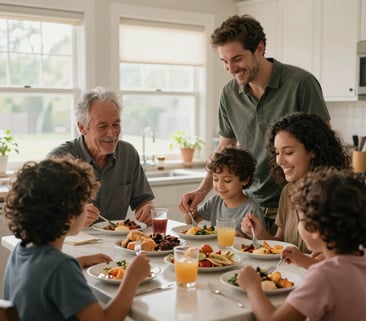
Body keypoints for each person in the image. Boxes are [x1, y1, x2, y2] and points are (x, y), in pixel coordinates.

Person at [179, 14, 330, 233]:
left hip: (294, 208)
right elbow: (225, 147)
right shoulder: (229, 93)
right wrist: (203, 191)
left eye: (237, 59)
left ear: (260, 48)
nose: (230, 68)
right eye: (224, 61)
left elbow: (324, 147)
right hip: (248, 209)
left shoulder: (300, 83)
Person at [3, 157, 151, 321]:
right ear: (69, 216)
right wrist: (132, 278)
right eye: (83, 204)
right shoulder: (61, 268)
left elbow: (47, 274)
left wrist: (79, 261)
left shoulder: (21, 251)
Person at [237, 168, 366, 321]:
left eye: (301, 220)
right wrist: (305, 261)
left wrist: (252, 286)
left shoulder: (323, 277)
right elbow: (343, 277)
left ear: (316, 229)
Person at [241, 113, 351, 257]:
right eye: (277, 152)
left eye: (288, 152)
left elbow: (350, 254)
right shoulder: (288, 191)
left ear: (313, 151)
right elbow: (281, 243)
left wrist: (332, 255)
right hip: (289, 275)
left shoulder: (335, 195)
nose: (279, 160)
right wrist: (260, 234)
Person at [48, 87, 154, 226]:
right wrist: (72, 217)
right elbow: (44, 214)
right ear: (82, 128)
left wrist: (147, 209)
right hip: (72, 242)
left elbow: (143, 200)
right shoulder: (60, 159)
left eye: (116, 124)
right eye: (102, 126)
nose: (111, 133)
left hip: (114, 244)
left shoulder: (128, 154)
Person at [183, 147, 265, 236]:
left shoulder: (252, 210)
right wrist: (190, 210)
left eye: (227, 180)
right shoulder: (215, 201)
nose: (220, 186)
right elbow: (191, 221)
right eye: (215, 179)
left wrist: (242, 239)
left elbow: (261, 244)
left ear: (244, 180)